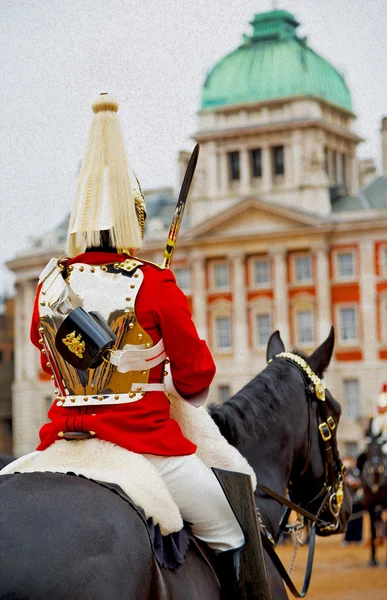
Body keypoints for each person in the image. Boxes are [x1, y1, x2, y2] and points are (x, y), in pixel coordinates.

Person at [30, 93, 265, 598]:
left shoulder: (49, 286)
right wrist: (158, 372)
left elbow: (47, 352)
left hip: (60, 442)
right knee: (229, 532)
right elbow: (197, 377)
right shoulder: (153, 283)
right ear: (133, 217)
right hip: (144, 445)